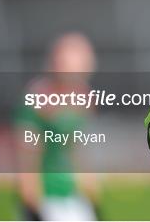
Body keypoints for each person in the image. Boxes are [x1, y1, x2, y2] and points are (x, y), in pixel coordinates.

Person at [14, 32, 100, 221]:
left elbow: (79, 148)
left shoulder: (84, 96)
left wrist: (90, 186)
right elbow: (27, 156)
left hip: (74, 196)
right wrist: (31, 198)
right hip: (47, 196)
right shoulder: (38, 98)